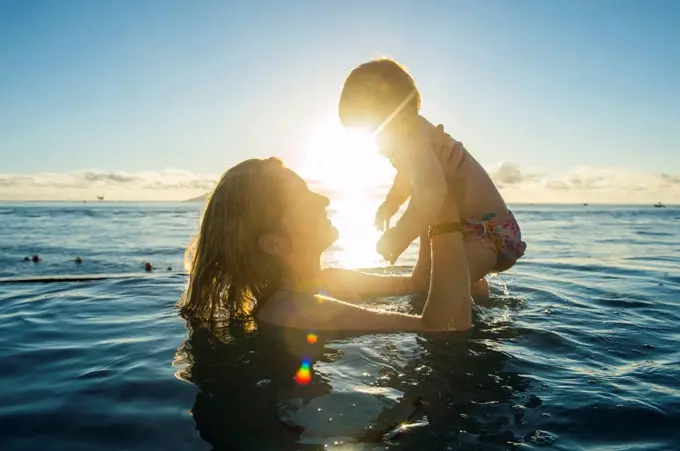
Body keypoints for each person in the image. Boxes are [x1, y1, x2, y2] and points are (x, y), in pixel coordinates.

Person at [179, 132, 475, 332]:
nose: (324, 199)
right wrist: (445, 206)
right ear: (273, 242)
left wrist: (428, 193)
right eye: (301, 197)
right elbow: (443, 327)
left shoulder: (329, 281)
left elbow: (419, 282)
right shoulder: (291, 310)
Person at [338, 57, 526, 286]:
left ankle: (469, 296)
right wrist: (390, 204)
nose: (375, 146)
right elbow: (408, 178)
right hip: (467, 229)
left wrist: (400, 236)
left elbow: (431, 190)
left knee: (446, 288)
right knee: (429, 284)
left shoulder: (414, 139)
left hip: (489, 233)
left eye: (373, 131)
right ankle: (477, 293)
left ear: (399, 116)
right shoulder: (412, 138)